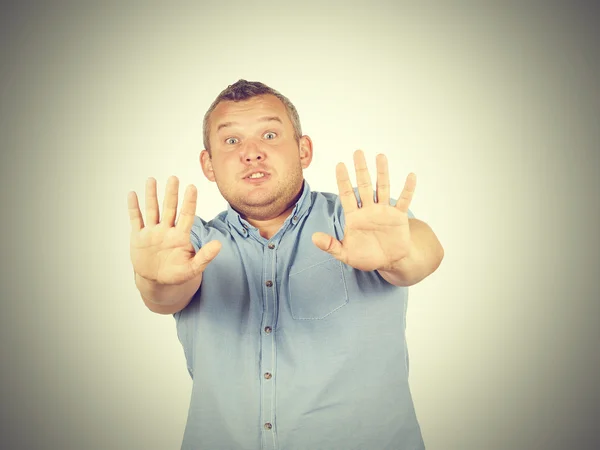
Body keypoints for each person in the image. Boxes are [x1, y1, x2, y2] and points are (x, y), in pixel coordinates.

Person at [127, 79, 444, 450]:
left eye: (270, 134)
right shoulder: (192, 243)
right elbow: (165, 296)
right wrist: (155, 281)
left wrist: (400, 255)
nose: (251, 152)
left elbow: (424, 252)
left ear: (304, 150)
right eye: (231, 141)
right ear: (208, 164)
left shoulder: (357, 219)